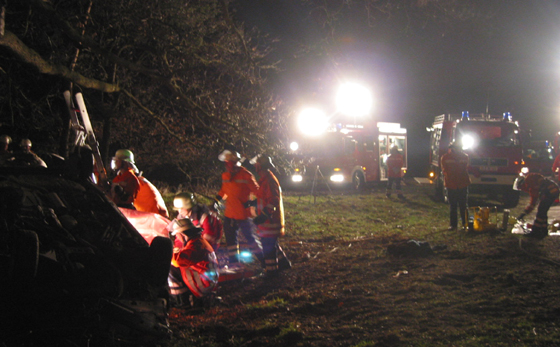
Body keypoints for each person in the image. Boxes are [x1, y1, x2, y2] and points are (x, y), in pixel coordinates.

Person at [215, 149, 263, 269]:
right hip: (229, 214)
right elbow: (224, 191)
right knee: (231, 243)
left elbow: (258, 191)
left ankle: (264, 261)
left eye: (229, 161)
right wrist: (215, 201)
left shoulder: (246, 175)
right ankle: (234, 264)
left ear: (235, 162)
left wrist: (253, 204)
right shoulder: (225, 175)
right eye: (226, 162)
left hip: (243, 215)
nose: (227, 164)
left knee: (251, 240)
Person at [251, 154, 291, 276]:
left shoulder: (269, 180)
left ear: (260, 166)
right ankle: (283, 263)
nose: (255, 167)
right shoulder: (265, 179)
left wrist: (264, 215)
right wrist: (252, 202)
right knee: (271, 243)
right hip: (268, 220)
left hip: (270, 221)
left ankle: (271, 271)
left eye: (257, 165)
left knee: (268, 245)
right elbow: (264, 197)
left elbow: (273, 200)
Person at [167, 218, 219, 308]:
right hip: (206, 280)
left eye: (177, 235)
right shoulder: (196, 241)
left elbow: (177, 261)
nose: (177, 237)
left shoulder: (196, 245)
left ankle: (182, 301)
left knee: (171, 268)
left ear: (182, 234)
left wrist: (165, 252)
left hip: (204, 284)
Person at [514, 172, 560, 239]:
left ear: (522, 184)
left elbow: (533, 202)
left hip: (550, 191)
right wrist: (524, 213)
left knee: (541, 212)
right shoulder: (531, 185)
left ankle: (536, 231)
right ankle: (543, 230)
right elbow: (533, 204)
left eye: (521, 188)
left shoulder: (529, 181)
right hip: (552, 191)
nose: (522, 190)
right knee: (543, 211)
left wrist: (524, 214)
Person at [441, 142, 471, 230]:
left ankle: (464, 224)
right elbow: (445, 170)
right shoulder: (446, 157)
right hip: (453, 184)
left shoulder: (464, 156)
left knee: (462, 205)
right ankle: (455, 225)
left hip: (460, 184)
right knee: (454, 206)